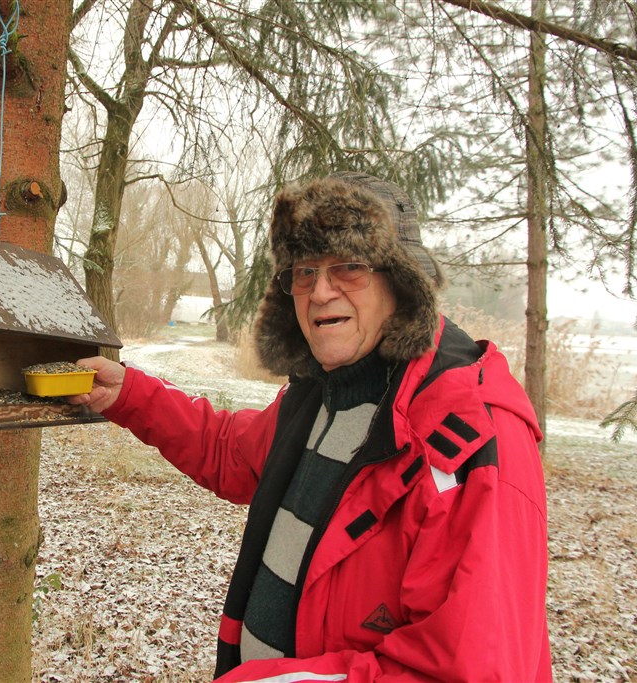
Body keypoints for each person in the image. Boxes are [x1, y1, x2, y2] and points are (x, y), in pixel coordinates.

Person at [69, 172, 551, 682]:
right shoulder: (323, 391)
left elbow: (467, 671)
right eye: (304, 271)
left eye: (349, 266)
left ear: (401, 279)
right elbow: (234, 453)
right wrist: (128, 394)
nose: (320, 291)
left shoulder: (469, 441)